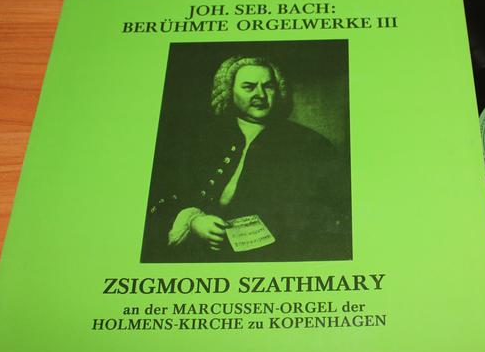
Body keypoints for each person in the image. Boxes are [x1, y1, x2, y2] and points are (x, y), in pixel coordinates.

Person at [143, 56, 351, 262]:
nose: (260, 95)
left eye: (268, 86)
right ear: (229, 91)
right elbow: (160, 198)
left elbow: (328, 217)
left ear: (279, 91)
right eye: (249, 87)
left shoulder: (311, 145)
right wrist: (193, 221)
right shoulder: (200, 138)